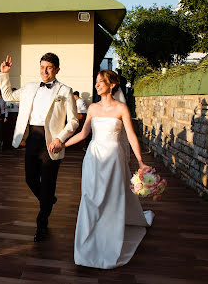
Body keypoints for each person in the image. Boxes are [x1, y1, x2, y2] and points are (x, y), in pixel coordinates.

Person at [64, 69, 154, 269]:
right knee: (89, 197)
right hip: (93, 159)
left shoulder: (122, 108)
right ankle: (85, 246)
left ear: (112, 84)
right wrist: (62, 143)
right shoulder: (93, 108)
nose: (96, 85)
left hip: (113, 158)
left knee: (112, 199)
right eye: (96, 81)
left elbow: (130, 136)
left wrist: (140, 162)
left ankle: (109, 245)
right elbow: (83, 134)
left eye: (100, 81)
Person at [0, 53, 78, 242]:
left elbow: (73, 121)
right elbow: (8, 96)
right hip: (33, 138)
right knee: (30, 178)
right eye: (42, 67)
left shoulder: (65, 91)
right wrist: (5, 74)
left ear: (57, 69)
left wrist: (60, 139)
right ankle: (48, 200)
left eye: (49, 67)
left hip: (52, 143)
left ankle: (42, 224)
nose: (45, 71)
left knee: (48, 183)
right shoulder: (30, 87)